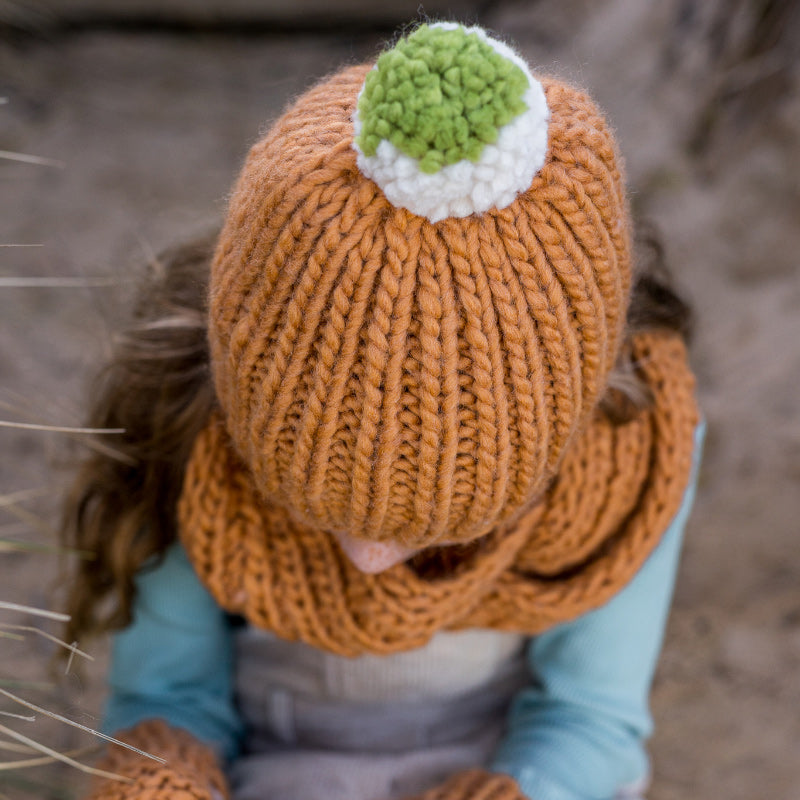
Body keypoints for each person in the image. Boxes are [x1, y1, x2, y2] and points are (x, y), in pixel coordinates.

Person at [61, 22, 703, 800]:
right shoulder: (187, 420)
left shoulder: (630, 456)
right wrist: (159, 774)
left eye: (422, 526)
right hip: (276, 760)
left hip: (520, 769)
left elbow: (589, 719)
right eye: (318, 507)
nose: (365, 558)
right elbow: (170, 695)